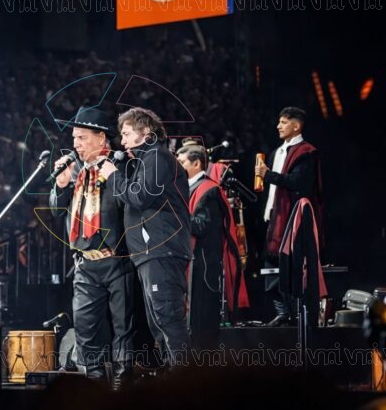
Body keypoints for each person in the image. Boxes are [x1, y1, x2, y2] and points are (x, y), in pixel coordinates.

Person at [98, 107, 191, 368]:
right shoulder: (146, 160)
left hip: (161, 250)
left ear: (146, 132)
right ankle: (174, 378)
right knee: (158, 324)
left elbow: (140, 197)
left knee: (167, 319)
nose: (123, 141)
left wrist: (114, 175)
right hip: (151, 253)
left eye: (127, 134)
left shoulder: (157, 156)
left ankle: (187, 380)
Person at [49, 107, 135, 387]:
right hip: (85, 262)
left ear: (101, 138)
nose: (76, 144)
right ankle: (94, 382)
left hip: (117, 258)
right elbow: (56, 210)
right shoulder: (75, 171)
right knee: (85, 326)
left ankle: (123, 382)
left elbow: (131, 202)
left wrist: (113, 176)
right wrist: (61, 185)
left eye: (82, 137)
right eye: (74, 138)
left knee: (123, 326)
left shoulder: (121, 166)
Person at [255, 107, 323, 326]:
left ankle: (297, 313)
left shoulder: (307, 152)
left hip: (294, 218)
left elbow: (299, 183)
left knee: (292, 265)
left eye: (283, 122)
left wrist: (269, 175)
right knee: (270, 265)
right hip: (274, 217)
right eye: (279, 122)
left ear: (296, 126)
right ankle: (282, 312)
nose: (278, 126)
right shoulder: (276, 152)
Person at [176, 144, 249, 350]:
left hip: (203, 264)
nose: (178, 167)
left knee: (201, 319)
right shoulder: (187, 188)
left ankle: (202, 364)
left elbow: (201, 226)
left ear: (196, 163)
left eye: (181, 162)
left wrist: (175, 215)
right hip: (190, 260)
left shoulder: (209, 190)